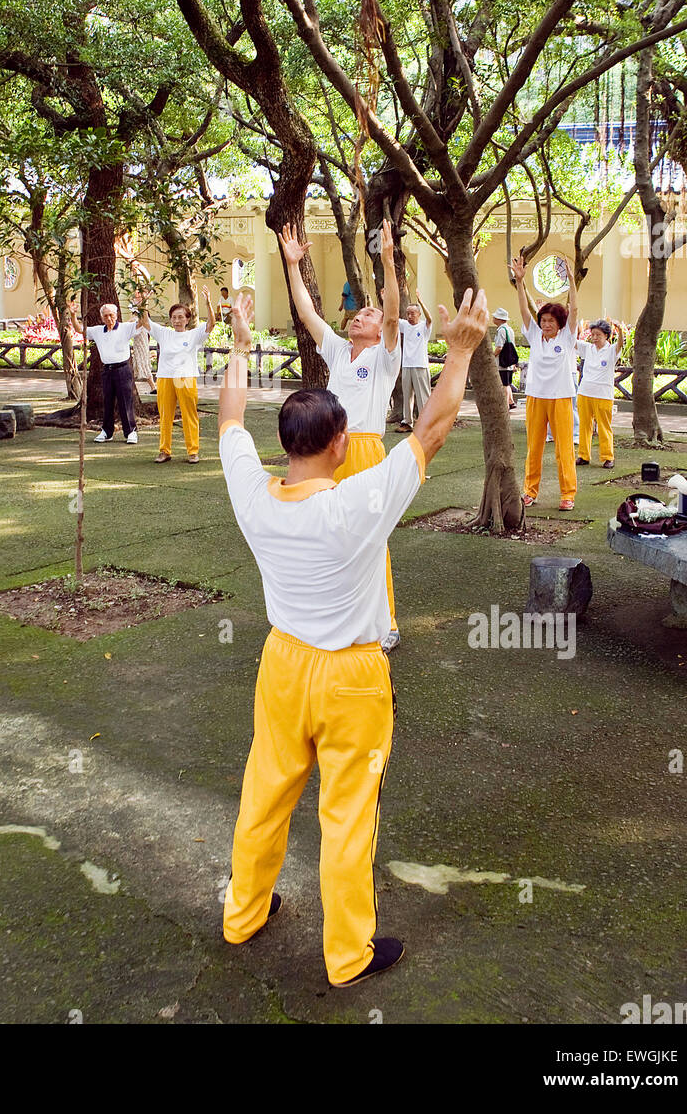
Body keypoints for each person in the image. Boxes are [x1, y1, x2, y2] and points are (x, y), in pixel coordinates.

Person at [218, 286, 489, 986]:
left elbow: (227, 422)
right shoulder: (360, 502)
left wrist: (240, 348)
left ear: (286, 443)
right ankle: (347, 956)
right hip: (352, 678)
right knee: (346, 816)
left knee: (264, 791)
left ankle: (242, 913)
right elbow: (431, 428)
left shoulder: (252, 494)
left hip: (281, 665)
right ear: (342, 443)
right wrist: (458, 348)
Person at [279, 220, 402, 649]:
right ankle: (332, 611)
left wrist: (386, 261)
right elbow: (308, 314)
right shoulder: (337, 350)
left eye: (369, 313)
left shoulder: (386, 357)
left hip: (365, 449)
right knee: (327, 528)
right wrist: (294, 265)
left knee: (371, 535)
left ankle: (386, 622)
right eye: (359, 312)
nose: (360, 316)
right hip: (329, 447)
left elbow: (392, 318)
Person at [511, 253, 580, 510]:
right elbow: (522, 308)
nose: (546, 324)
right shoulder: (534, 334)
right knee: (534, 447)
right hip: (536, 397)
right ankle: (530, 491)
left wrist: (571, 282)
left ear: (559, 323)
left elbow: (575, 310)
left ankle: (567, 494)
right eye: (543, 320)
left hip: (561, 397)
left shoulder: (567, 337)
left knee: (564, 449)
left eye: (551, 321)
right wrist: (520, 282)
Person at [138, 287, 216, 463]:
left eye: (181, 317)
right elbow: (144, 320)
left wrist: (208, 303)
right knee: (165, 415)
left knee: (189, 414)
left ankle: (193, 451)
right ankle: (164, 451)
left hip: (186, 377)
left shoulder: (194, 334)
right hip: (165, 377)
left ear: (187, 319)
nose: (177, 320)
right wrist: (144, 301)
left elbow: (211, 323)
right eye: (174, 317)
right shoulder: (164, 333)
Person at [85, 303, 140, 445]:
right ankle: (107, 432)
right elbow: (80, 330)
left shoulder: (125, 328)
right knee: (107, 401)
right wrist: (72, 315)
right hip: (107, 370)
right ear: (102, 317)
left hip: (123, 369)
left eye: (111, 315)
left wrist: (141, 306)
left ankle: (131, 432)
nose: (109, 318)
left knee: (125, 401)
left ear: (116, 315)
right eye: (106, 316)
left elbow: (142, 323)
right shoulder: (98, 331)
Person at [576, 319, 623, 469]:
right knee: (584, 425)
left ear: (606, 336)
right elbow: (571, 341)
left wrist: (620, 330)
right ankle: (583, 455)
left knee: (604, 426)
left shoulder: (611, 350)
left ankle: (608, 457)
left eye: (598, 335)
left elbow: (620, 345)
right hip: (584, 392)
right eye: (593, 334)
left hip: (603, 394)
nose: (595, 337)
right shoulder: (588, 348)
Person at [397, 295, 433, 431]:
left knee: (423, 396)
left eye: (412, 313)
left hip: (420, 365)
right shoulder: (405, 325)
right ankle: (407, 422)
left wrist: (422, 302)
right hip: (407, 365)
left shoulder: (424, 326)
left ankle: (426, 423)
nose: (409, 316)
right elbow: (392, 316)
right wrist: (384, 298)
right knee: (407, 395)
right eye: (408, 313)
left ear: (419, 314)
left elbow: (430, 319)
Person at [492, 306, 518, 410]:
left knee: (504, 384)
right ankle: (511, 402)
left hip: (502, 362)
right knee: (507, 382)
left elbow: (499, 347)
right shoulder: (509, 329)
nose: (493, 319)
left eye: (494, 317)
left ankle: (505, 405)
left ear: (499, 319)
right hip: (509, 362)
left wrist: (492, 356)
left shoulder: (501, 330)